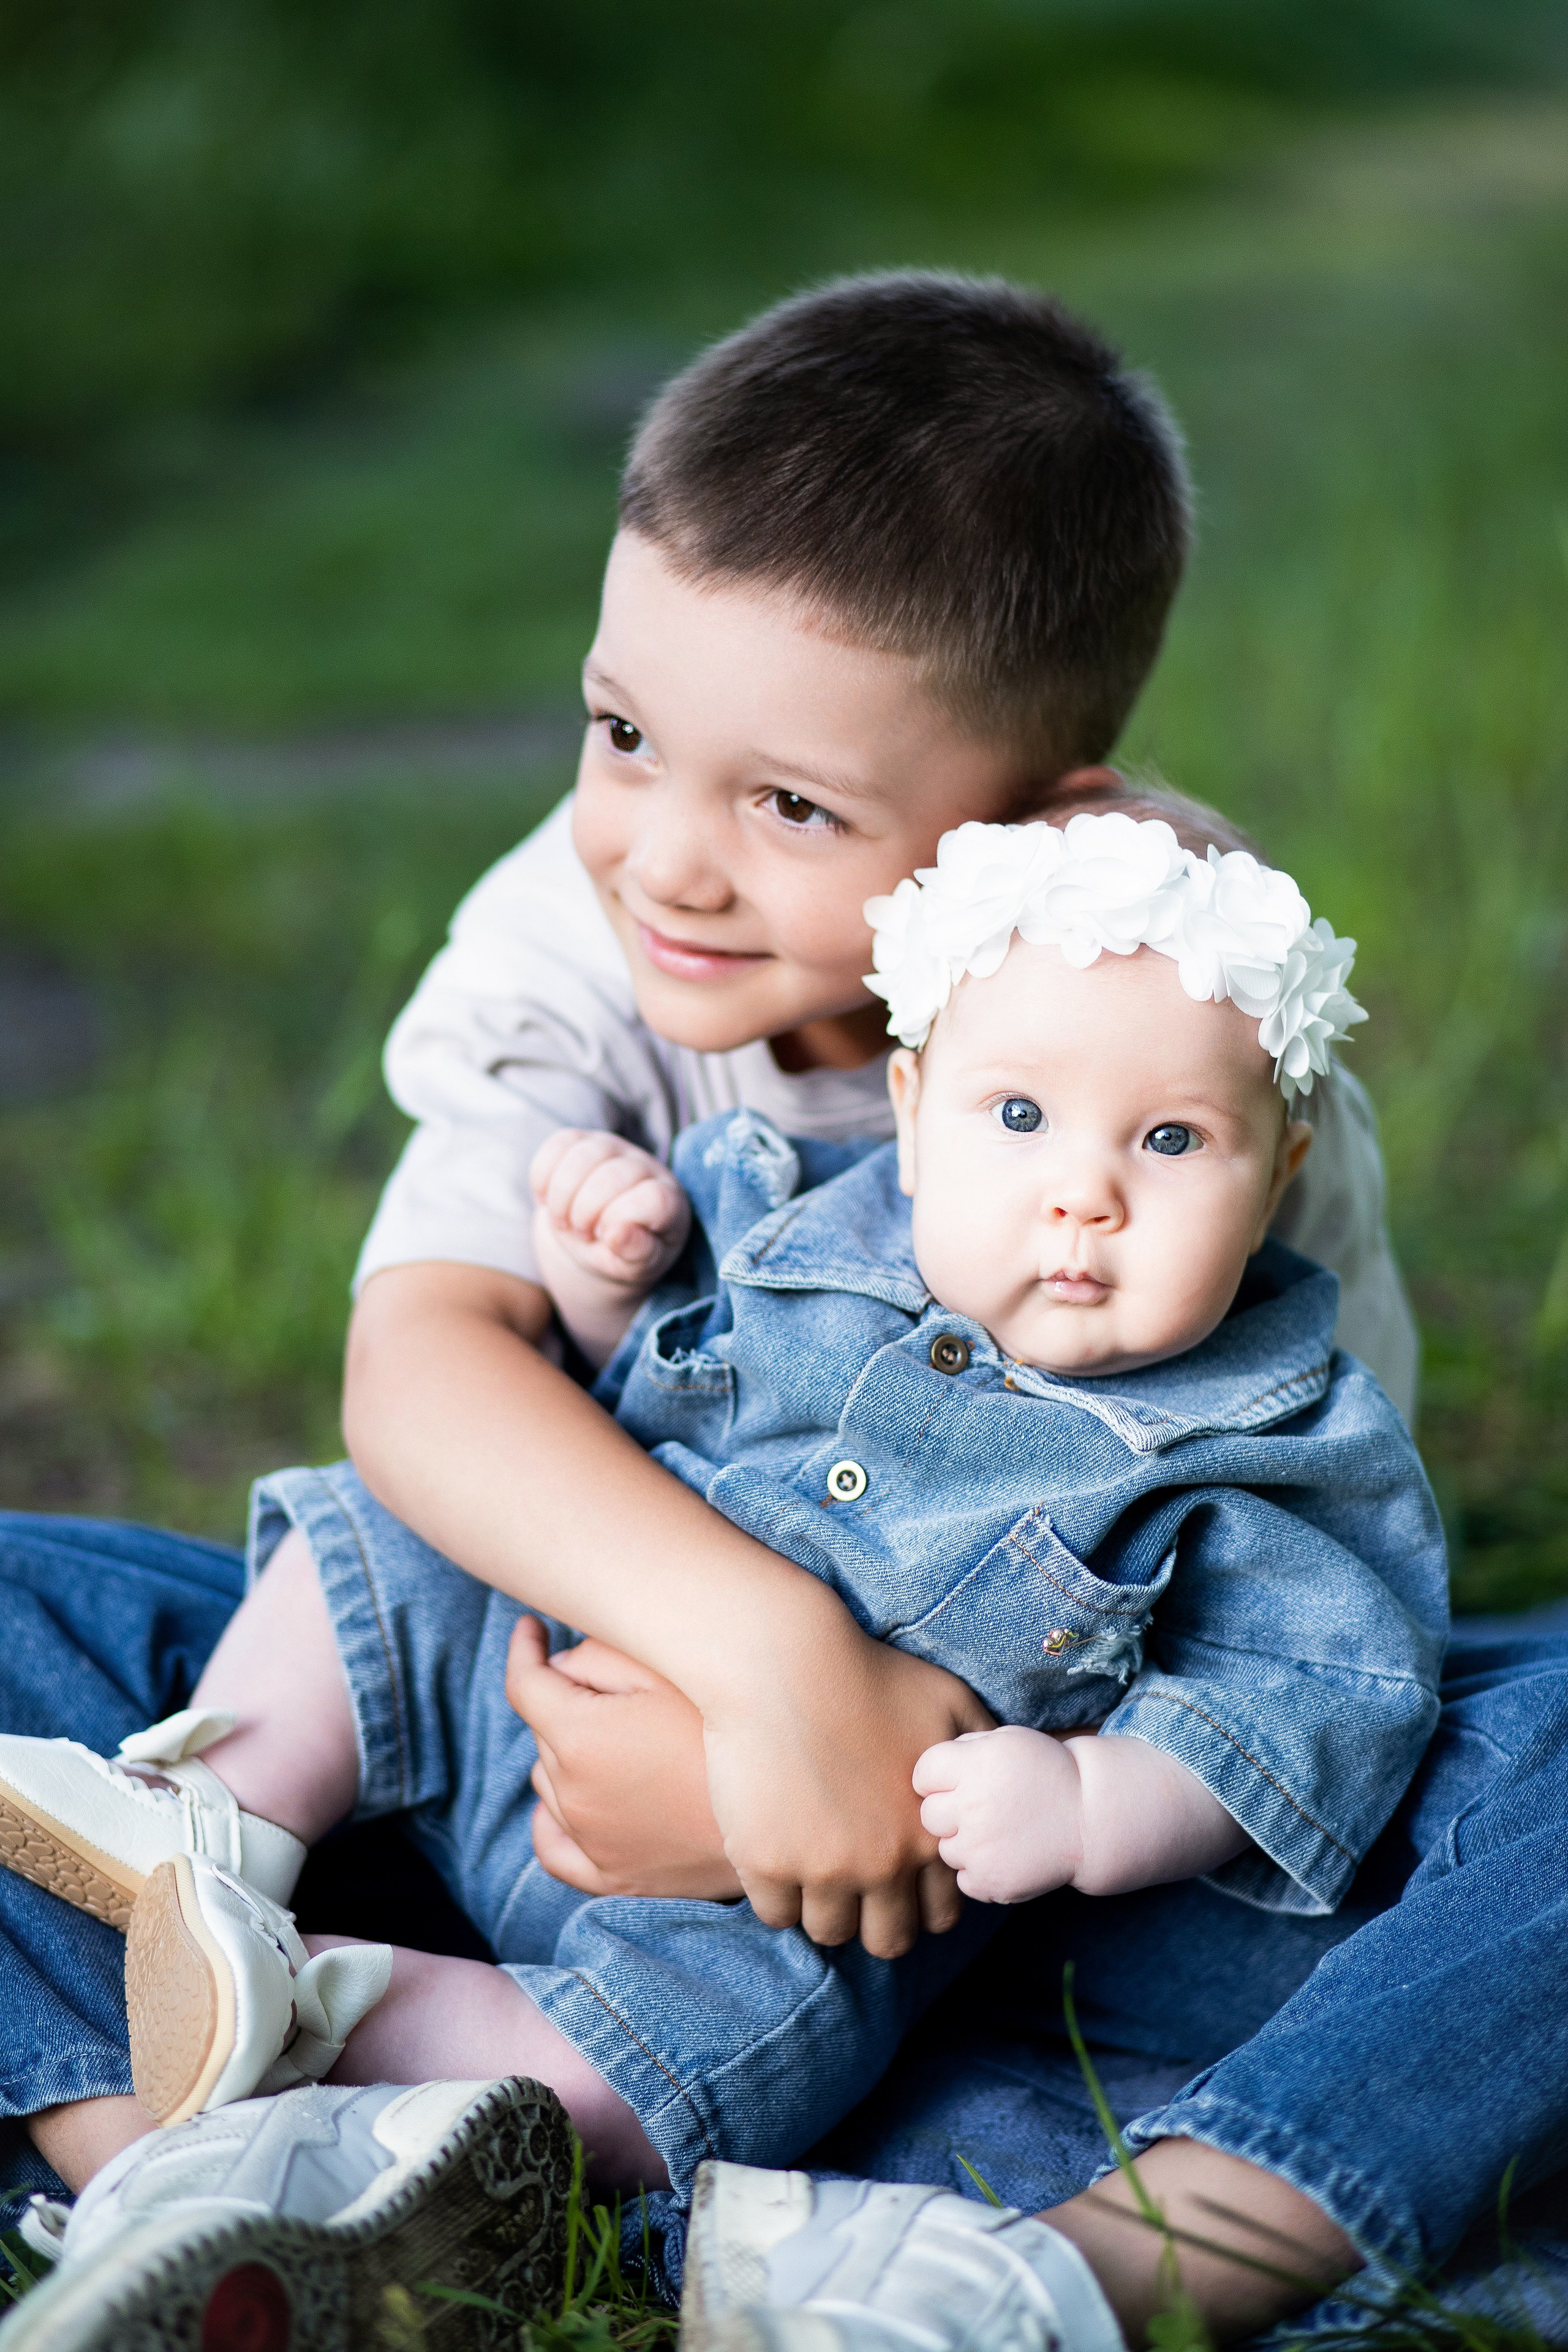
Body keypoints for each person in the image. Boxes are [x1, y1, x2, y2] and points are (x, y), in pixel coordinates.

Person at [0, 270, 1556, 2350]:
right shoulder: (571, 934)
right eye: (623, 733)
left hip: (1020, 1873)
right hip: (504, 1742)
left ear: (1047, 833)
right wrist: (772, 1680)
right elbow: (427, 1376)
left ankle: (1092, 2266)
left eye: (792, 807)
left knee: (1532, 1747)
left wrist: (874, 1777)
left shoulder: (1190, 1089)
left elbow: (1285, 1615)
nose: (668, 861)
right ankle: (190, 2162)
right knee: (52, 1614)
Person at [0, 815, 1449, 2203]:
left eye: (1174, 1143)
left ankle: (312, 2021)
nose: (1083, 1195)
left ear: (1280, 1172)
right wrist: (605, 1283)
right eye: (1016, 1116)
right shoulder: (801, 1217)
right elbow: (636, 1383)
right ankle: (214, 1817)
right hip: (530, 1667)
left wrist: (1088, 1802)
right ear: (910, 1104)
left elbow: (1309, 1694)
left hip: (772, 1895)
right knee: (388, 1546)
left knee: (689, 2061)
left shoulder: (1275, 1446)